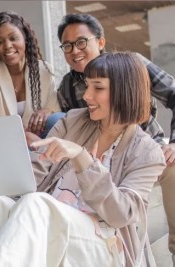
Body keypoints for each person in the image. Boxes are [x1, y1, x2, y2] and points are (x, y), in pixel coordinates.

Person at [0, 52, 165, 267]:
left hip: (104, 244)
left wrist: (82, 158)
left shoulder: (147, 152)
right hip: (51, 228)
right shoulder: (73, 121)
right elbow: (33, 173)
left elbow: (121, 214)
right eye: (87, 86)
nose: (87, 95)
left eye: (98, 88)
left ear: (125, 90)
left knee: (36, 203)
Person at [55, 13, 175, 261]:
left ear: (100, 42)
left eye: (81, 42)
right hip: (100, 160)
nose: (74, 50)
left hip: (148, 150)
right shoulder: (67, 86)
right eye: (67, 46)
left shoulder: (133, 66)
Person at [0, 11, 60, 137]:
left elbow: (55, 109)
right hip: (2, 141)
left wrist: (48, 111)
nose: (7, 46)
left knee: (57, 118)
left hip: (40, 141)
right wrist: (23, 137)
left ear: (25, 38)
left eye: (13, 38)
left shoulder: (44, 70)